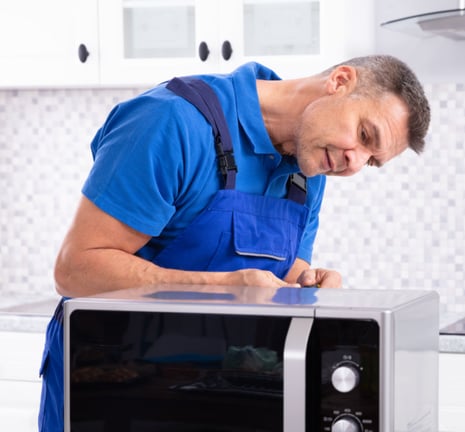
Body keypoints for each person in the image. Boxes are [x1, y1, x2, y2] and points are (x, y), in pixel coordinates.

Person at [38, 54, 431, 431]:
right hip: (111, 391)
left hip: (219, 396)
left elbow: (274, 269)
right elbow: (76, 270)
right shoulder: (171, 123)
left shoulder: (310, 169)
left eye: (372, 160)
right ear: (340, 82)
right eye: (364, 135)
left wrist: (305, 285)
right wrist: (226, 288)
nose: (355, 162)